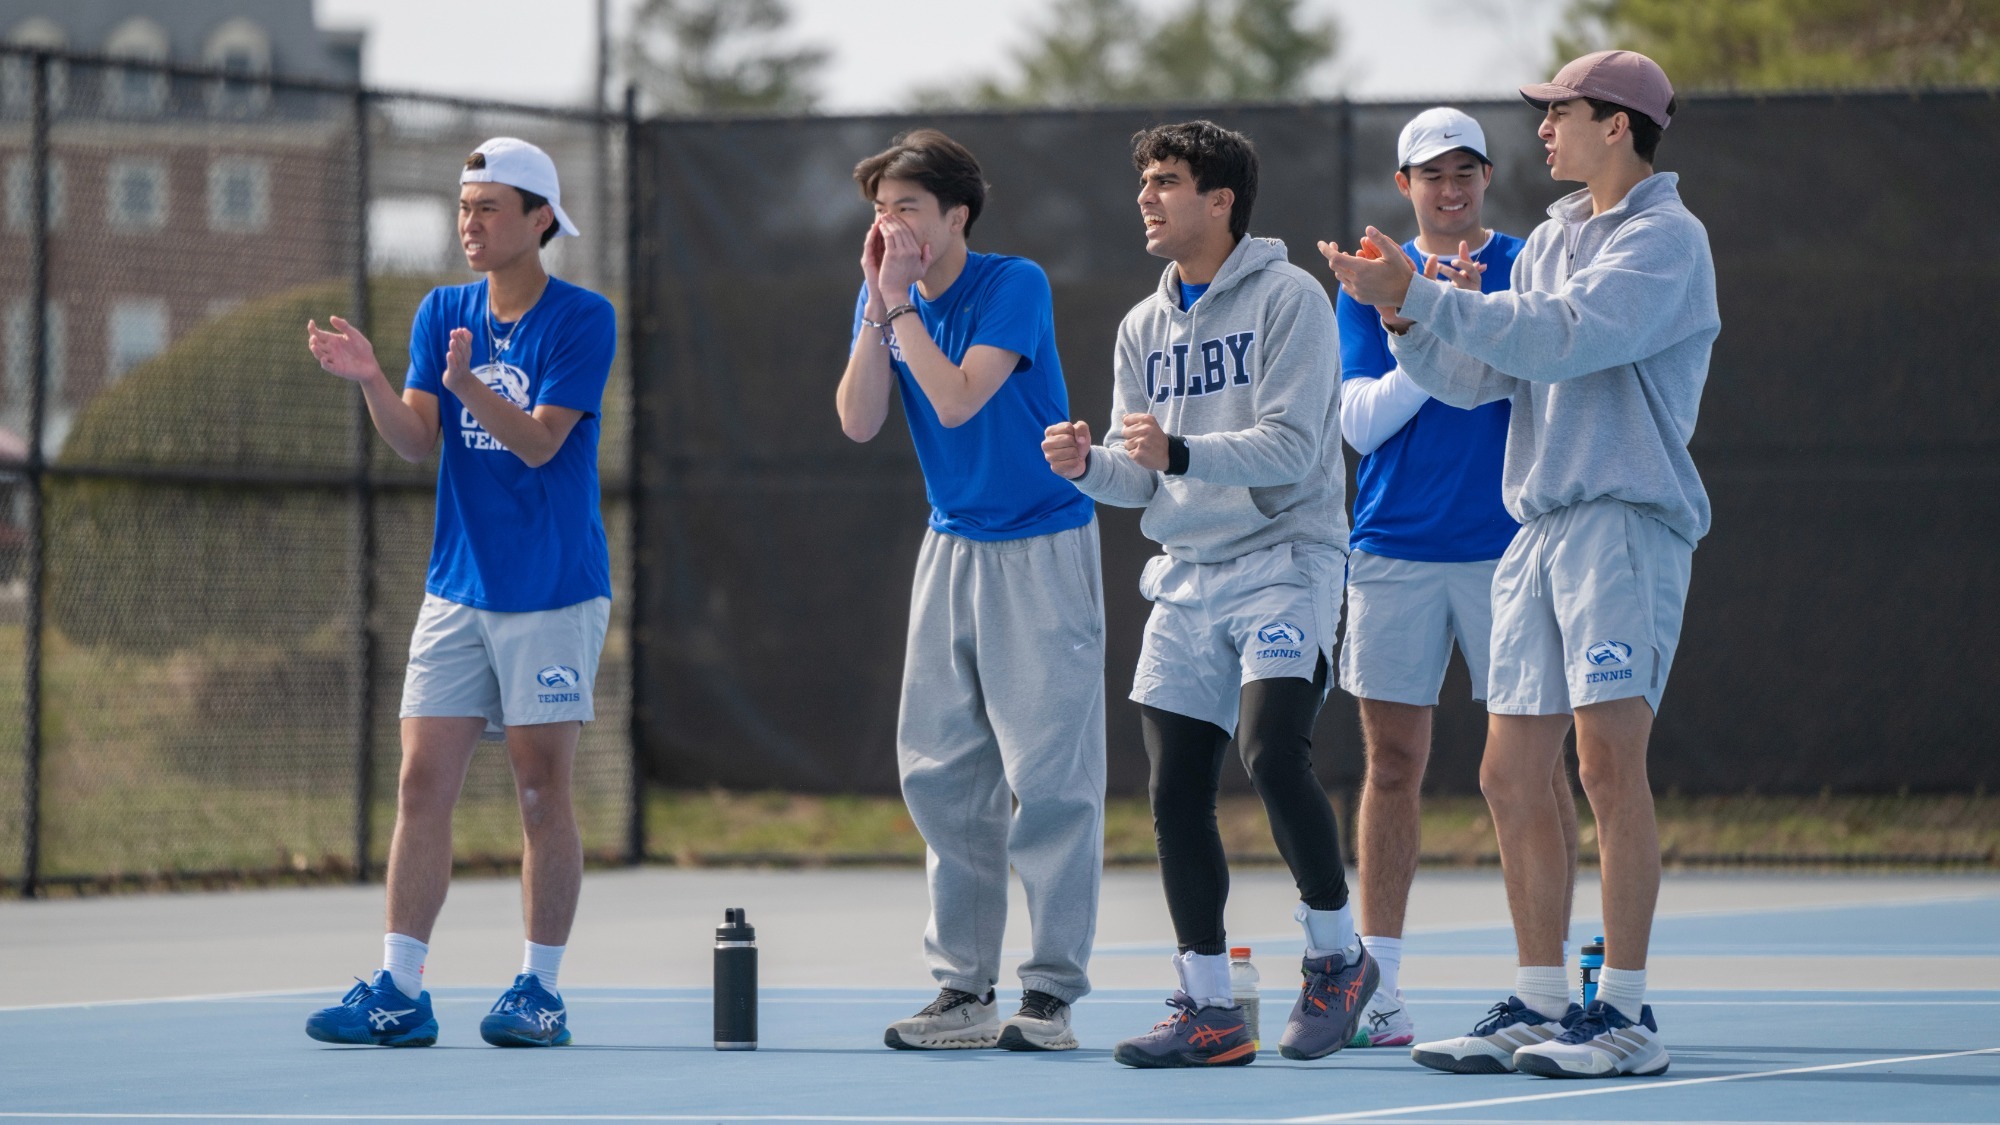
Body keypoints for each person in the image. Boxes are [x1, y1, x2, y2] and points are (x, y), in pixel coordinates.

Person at [1325, 50, 1718, 1079]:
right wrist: (1403, 315)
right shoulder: (1549, 242)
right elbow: (1481, 377)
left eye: (1559, 114)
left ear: (1618, 126)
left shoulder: (1665, 241)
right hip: (1536, 532)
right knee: (1507, 773)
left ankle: (1623, 1016)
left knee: (1603, 768)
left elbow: (1563, 339)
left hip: (1619, 526)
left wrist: (1428, 293)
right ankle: (1542, 1001)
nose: (1540, 131)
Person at [1044, 120, 1371, 1069]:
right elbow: (1141, 480)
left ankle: (1337, 957)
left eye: (1167, 181)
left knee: (1273, 750)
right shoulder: (1142, 326)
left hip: (1286, 559)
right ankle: (1210, 1008)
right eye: (1144, 181)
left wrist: (1177, 449)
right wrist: (1087, 466)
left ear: (1220, 199)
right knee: (1175, 788)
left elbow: (1297, 448)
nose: (1146, 197)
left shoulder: (1290, 299)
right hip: (1186, 579)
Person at [302, 137, 616, 1049]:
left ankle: (540, 990)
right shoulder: (441, 310)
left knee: (537, 791)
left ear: (540, 221)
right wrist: (371, 382)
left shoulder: (582, 318)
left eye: (488, 207)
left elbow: (539, 443)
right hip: (456, 589)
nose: (469, 223)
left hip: (553, 590)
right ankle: (401, 987)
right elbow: (413, 439)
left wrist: (469, 381)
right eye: (463, 206)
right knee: (420, 781)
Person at [837, 129, 1106, 1053]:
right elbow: (861, 417)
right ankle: (964, 990)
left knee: (1050, 780)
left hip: (1043, 544)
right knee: (944, 775)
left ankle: (1051, 995)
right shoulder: (887, 298)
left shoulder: (1012, 284)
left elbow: (957, 399)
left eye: (908, 207)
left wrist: (900, 304)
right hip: (950, 545)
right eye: (881, 209)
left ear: (955, 216)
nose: (891, 224)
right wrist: (882, 308)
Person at [1326, 107, 1578, 1050]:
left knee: (1536, 768)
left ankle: (1553, 987)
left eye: (1466, 169)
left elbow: (1534, 371)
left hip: (1510, 546)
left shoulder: (1529, 262)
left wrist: (1445, 315)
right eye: (1433, 173)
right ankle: (1378, 986)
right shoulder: (1369, 274)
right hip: (1391, 546)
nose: (1452, 186)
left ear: (1484, 177)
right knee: (1393, 766)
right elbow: (1359, 423)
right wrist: (1414, 310)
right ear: (1405, 185)